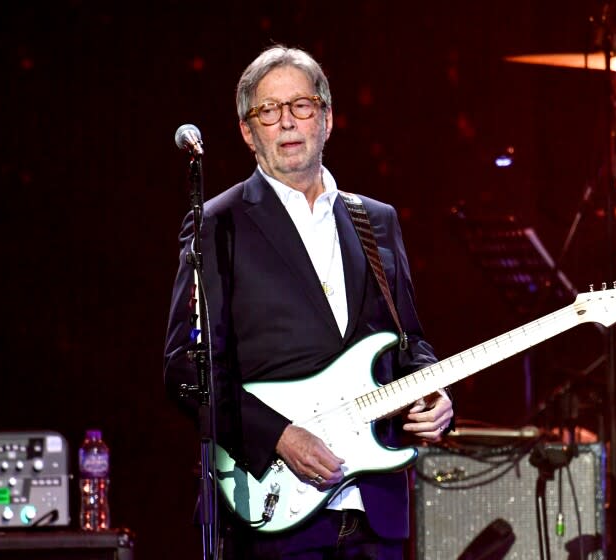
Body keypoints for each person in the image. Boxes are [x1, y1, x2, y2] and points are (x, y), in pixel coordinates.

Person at [164, 44, 454, 559]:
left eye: (301, 105)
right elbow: (187, 369)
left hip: (376, 509)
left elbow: (410, 341)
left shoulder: (376, 220)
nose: (288, 123)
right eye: (269, 111)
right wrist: (278, 436)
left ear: (327, 119)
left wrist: (432, 396)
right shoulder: (218, 223)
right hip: (274, 512)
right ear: (249, 133)